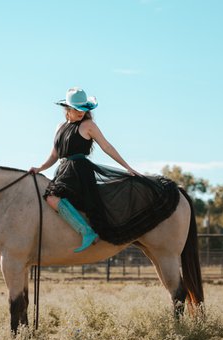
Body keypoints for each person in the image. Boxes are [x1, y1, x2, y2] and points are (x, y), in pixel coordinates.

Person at [30, 87, 179, 253]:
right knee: (51, 197)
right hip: (63, 170)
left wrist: (127, 167)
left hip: (78, 171)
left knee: (51, 197)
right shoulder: (60, 127)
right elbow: (54, 155)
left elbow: (107, 146)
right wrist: (40, 168)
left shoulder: (88, 125)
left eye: (84, 109)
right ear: (68, 108)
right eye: (78, 109)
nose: (81, 112)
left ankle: (86, 232)